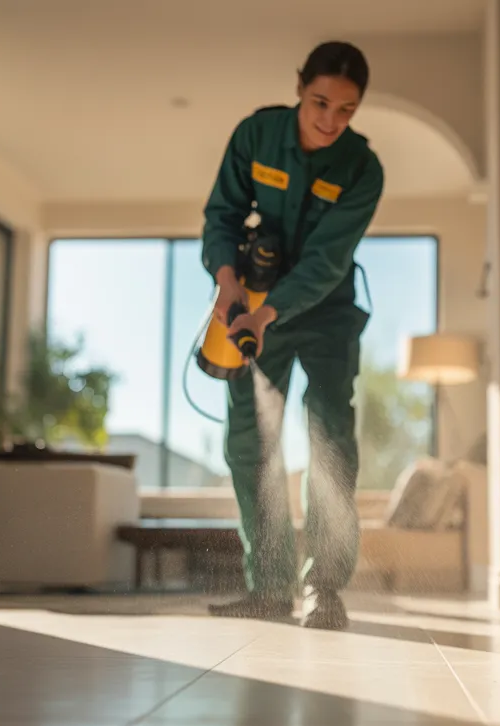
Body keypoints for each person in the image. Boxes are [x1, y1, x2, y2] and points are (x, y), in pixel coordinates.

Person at [199, 41, 384, 630]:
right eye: (319, 102)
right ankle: (270, 588)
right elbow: (222, 214)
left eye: (346, 111)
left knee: (329, 435)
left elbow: (327, 262)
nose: (330, 121)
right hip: (249, 304)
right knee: (252, 440)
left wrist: (268, 313)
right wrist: (229, 284)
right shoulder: (257, 135)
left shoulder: (362, 168)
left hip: (324, 311)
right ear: (299, 87)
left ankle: (323, 589)